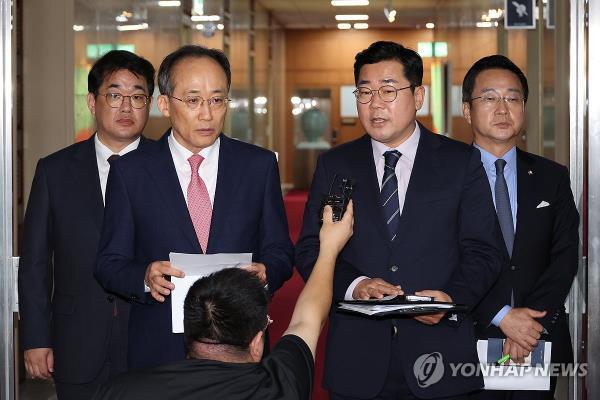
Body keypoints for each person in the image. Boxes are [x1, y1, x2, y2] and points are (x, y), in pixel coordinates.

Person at [295, 40, 504, 400]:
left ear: (418, 96)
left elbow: (484, 250)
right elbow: (310, 248)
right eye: (364, 92)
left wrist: (451, 298)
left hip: (440, 354)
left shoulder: (460, 162)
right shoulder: (336, 164)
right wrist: (355, 284)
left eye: (388, 91)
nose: (375, 104)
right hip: (357, 358)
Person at [94, 45, 294, 369]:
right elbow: (109, 263)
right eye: (193, 100)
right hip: (161, 348)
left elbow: (280, 249)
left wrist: (267, 271)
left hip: (240, 346)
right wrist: (145, 277)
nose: (207, 113)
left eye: (217, 100)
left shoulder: (258, 166)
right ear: (165, 105)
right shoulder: (131, 172)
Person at [92, 203, 353, 400]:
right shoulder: (279, 385)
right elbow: (307, 318)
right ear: (256, 342)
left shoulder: (121, 391)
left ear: (190, 330)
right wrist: (329, 247)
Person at [18, 50, 155, 399]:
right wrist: (35, 338)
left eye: (137, 96)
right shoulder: (55, 171)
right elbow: (35, 263)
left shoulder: (168, 168)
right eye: (115, 95)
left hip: (149, 336)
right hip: (76, 339)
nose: (126, 107)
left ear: (150, 104)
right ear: (93, 102)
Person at [463, 55, 579, 400]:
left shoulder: (551, 177)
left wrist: (527, 325)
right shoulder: (445, 178)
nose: (502, 109)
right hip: (469, 340)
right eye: (489, 98)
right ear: (468, 110)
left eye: (512, 98)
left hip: (536, 339)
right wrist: (502, 317)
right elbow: (442, 257)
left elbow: (564, 256)